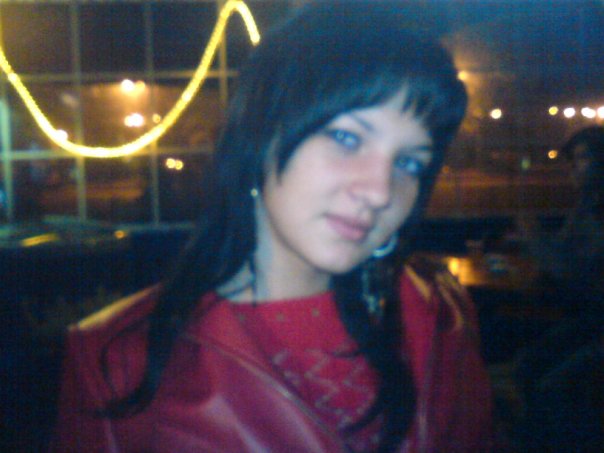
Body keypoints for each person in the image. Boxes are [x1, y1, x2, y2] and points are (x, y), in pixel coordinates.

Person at [51, 2, 493, 452]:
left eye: (409, 163)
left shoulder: (439, 320)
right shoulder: (117, 357)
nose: (380, 191)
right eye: (346, 138)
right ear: (260, 137)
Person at [514, 126, 604, 451]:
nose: (573, 168)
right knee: (526, 367)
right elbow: (566, 252)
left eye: (583, 159)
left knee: (549, 385)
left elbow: (572, 272)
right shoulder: (587, 204)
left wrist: (533, 237)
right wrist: (532, 240)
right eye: (572, 161)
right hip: (587, 319)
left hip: (596, 325)